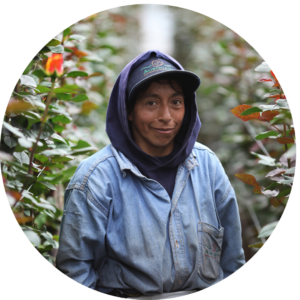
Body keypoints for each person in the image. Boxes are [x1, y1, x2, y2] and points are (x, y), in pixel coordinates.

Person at [56, 50, 246, 298]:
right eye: (151, 103)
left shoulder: (207, 166)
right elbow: (75, 269)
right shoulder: (96, 177)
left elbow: (232, 261)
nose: (166, 117)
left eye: (176, 102)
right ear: (129, 112)